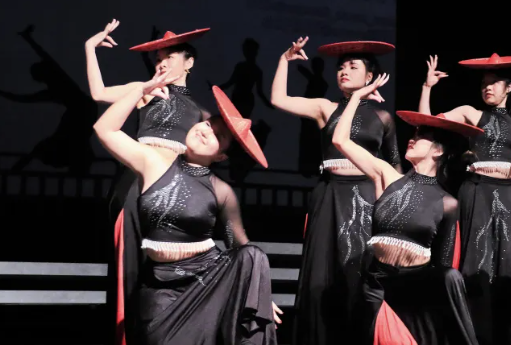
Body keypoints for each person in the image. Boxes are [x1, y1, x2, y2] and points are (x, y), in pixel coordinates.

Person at [93, 66, 281, 344]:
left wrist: (260, 295)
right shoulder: (153, 162)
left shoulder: (221, 191)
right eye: (208, 123)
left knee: (254, 255)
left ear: (221, 156)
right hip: (160, 287)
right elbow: (104, 129)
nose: (206, 131)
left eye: (218, 135)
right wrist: (140, 90)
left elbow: (239, 246)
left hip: (207, 282)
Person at [85, 21, 211, 344]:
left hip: (173, 193)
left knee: (162, 271)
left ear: (189, 62)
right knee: (129, 268)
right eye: (158, 58)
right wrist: (90, 48)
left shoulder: (200, 113)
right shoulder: (145, 91)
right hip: (136, 186)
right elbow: (98, 93)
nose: (162, 62)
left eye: (170, 56)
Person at [270, 37, 401, 345]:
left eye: (353, 67)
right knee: (322, 271)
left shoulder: (382, 117)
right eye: (341, 67)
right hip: (329, 194)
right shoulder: (325, 108)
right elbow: (278, 100)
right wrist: (284, 60)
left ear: (370, 76)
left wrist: (397, 206)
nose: (344, 71)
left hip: (366, 196)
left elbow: (394, 163)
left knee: (357, 270)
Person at [332, 73, 480, 344]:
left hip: (414, 292)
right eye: (413, 134)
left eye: (421, 136)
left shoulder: (448, 203)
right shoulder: (387, 175)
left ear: (438, 151)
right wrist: (356, 97)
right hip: (376, 283)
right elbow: (340, 141)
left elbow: (444, 265)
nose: (412, 139)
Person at [420, 53, 511, 345]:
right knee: (477, 260)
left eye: (494, 82)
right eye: (484, 83)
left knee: (509, 262)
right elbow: (427, 123)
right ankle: (474, 332)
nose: (487, 87)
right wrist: (427, 88)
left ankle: (509, 334)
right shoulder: (470, 113)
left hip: (508, 194)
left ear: (508, 87)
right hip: (476, 191)